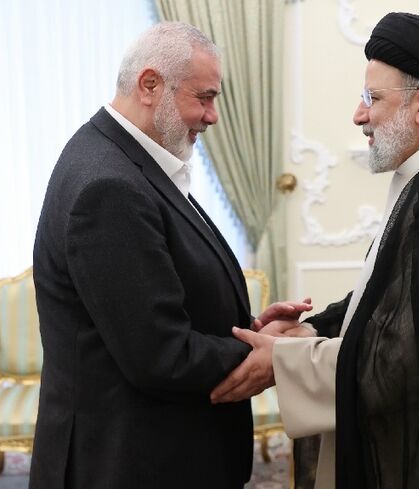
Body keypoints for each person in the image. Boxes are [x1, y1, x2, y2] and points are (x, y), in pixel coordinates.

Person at [211, 12, 419, 489]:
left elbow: (403, 360)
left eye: (372, 97)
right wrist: (308, 330)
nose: (359, 114)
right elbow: (388, 300)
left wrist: (283, 361)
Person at [30, 22, 309, 488]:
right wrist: (273, 354)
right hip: (132, 462)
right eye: (204, 97)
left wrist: (250, 328)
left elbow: (154, 301)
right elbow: (159, 355)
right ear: (150, 85)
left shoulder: (124, 157)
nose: (213, 116)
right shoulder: (110, 186)